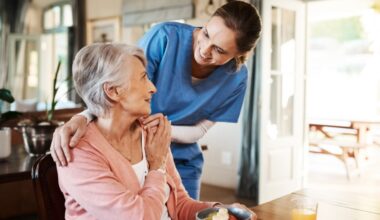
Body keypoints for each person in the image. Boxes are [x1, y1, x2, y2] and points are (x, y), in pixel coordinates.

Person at [51, 1, 262, 200]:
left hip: (181, 160)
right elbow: (117, 87)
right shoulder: (165, 37)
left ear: (240, 54)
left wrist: (160, 136)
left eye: (219, 50)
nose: (204, 49)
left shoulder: (236, 79)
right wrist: (83, 117)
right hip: (131, 153)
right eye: (206, 33)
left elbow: (200, 131)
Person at [57, 43, 257, 219]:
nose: (153, 88)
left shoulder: (149, 134)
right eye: (143, 78)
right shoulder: (78, 153)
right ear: (113, 91)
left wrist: (221, 211)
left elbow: (179, 205)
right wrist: (156, 167)